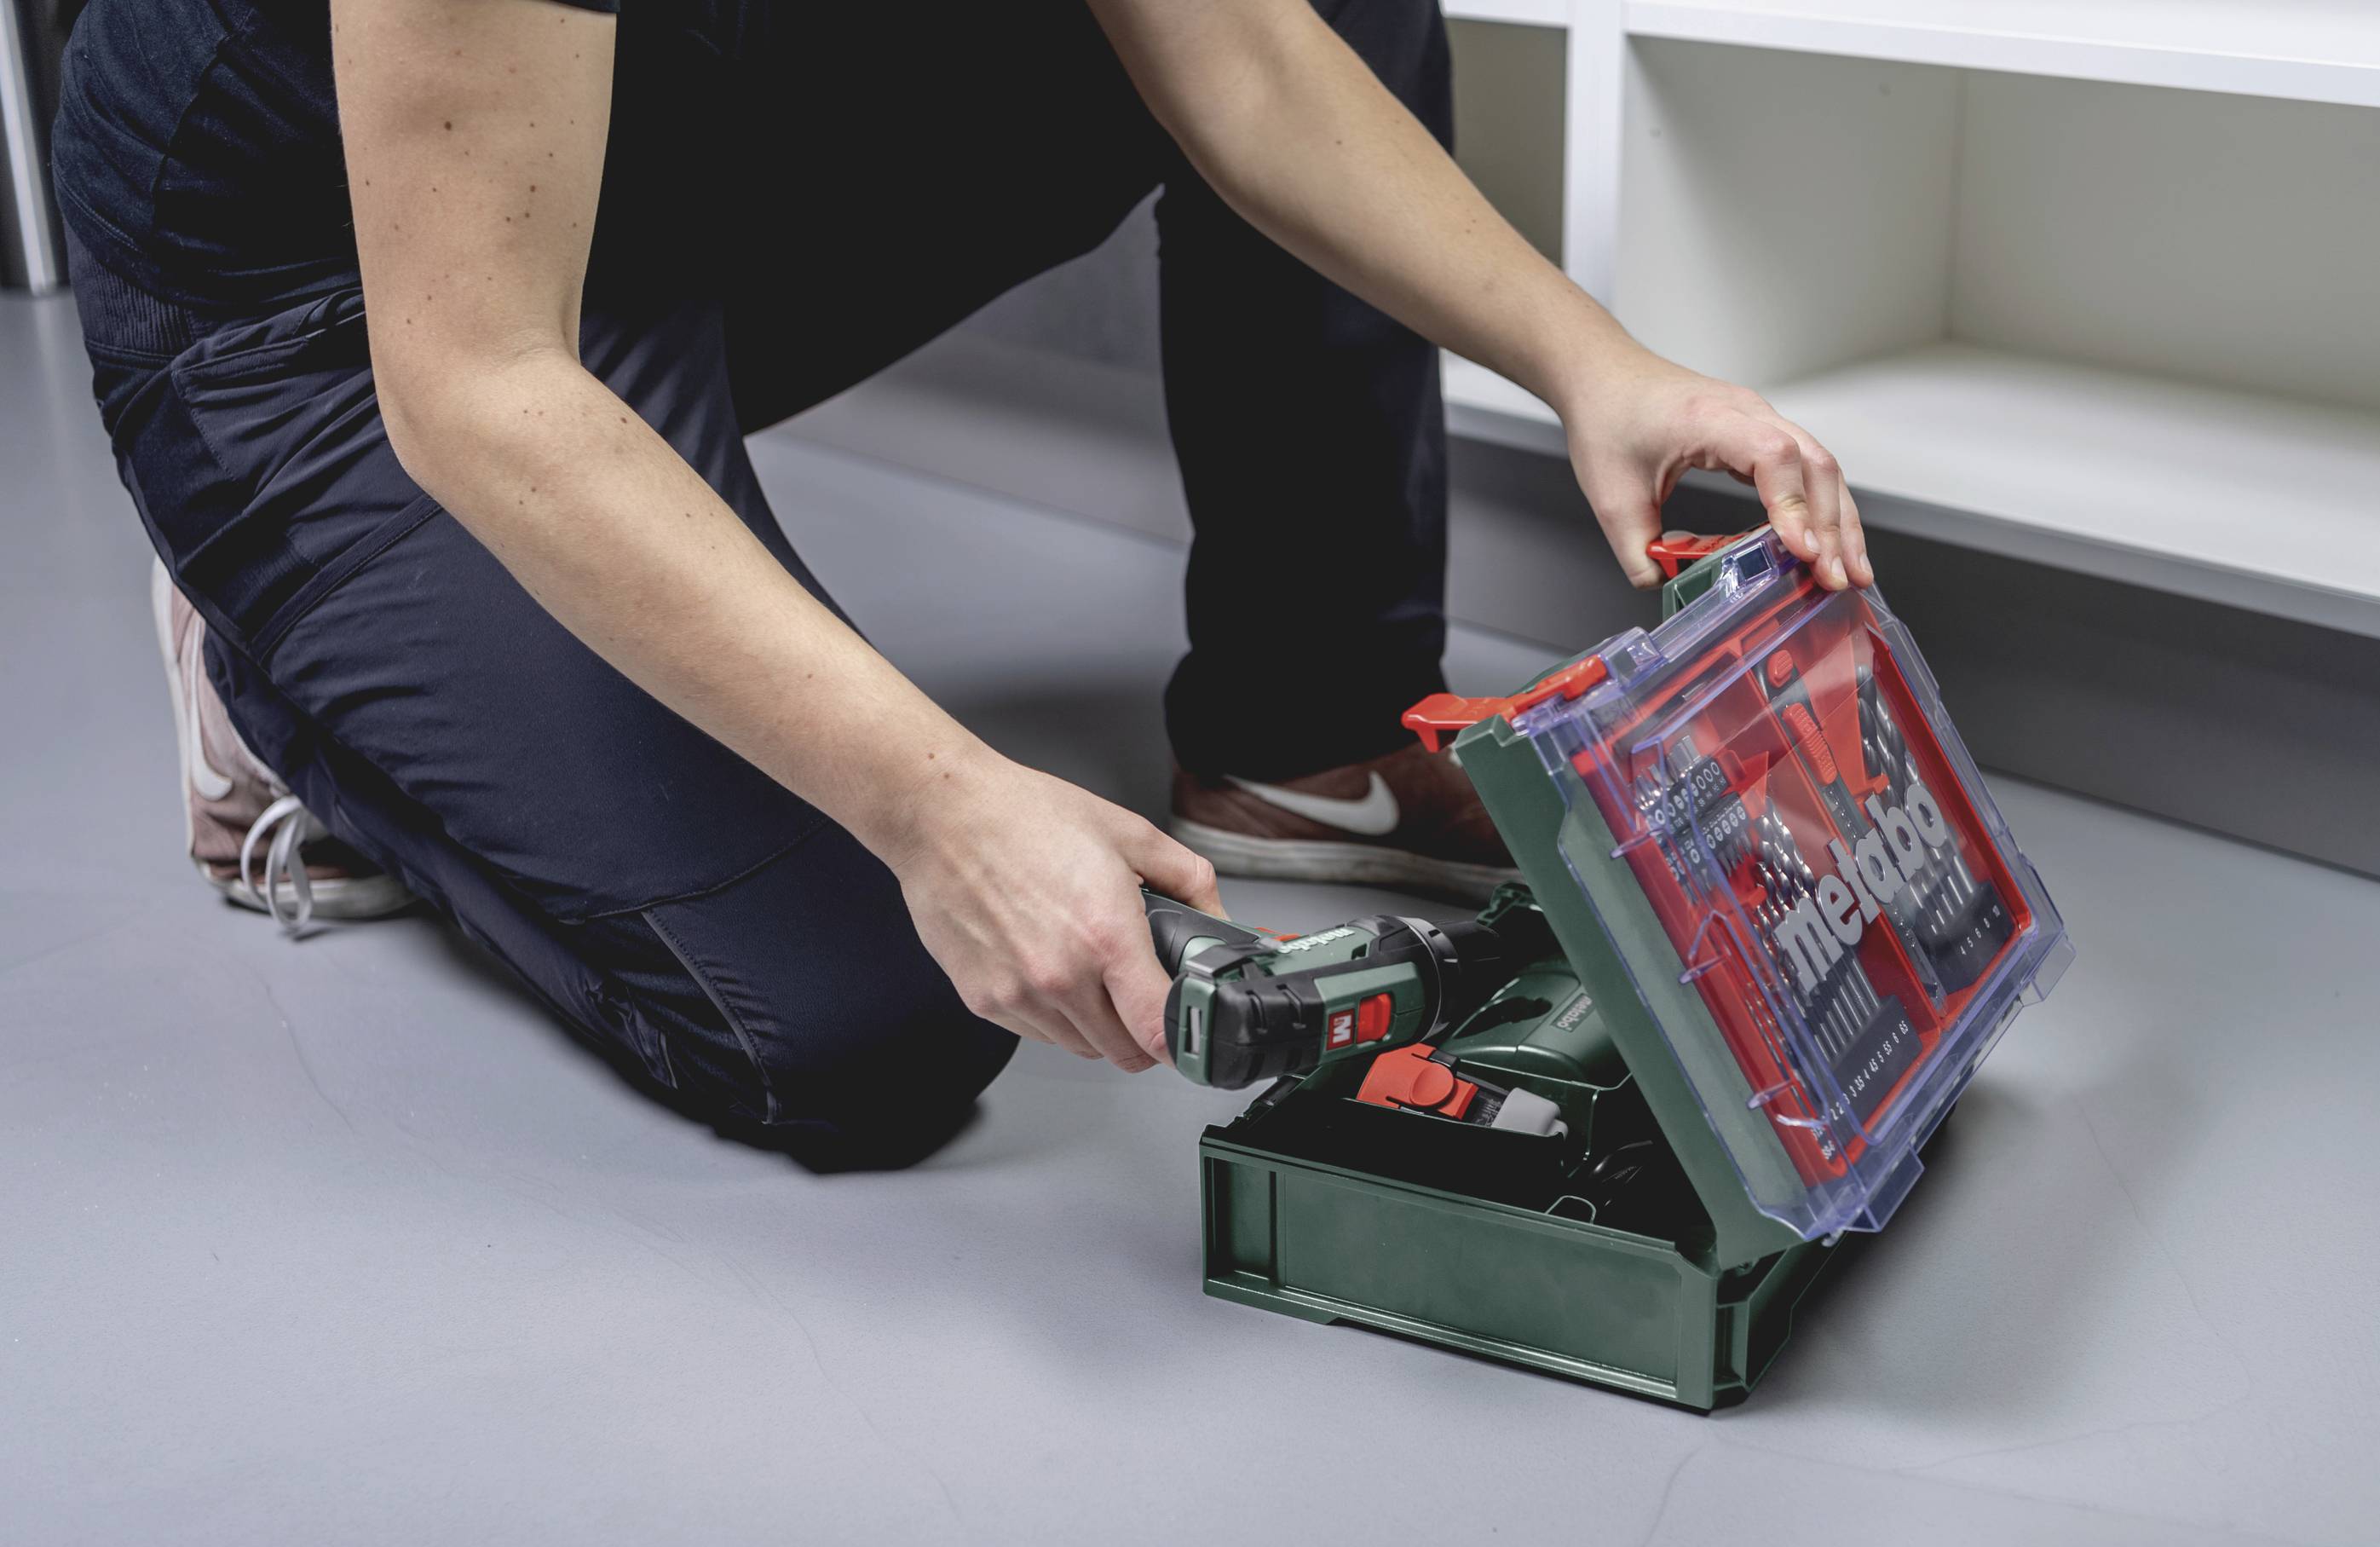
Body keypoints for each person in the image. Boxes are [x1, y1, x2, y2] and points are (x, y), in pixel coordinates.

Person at [52, 0, 1873, 1153]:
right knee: (866, 1021)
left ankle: (1300, 729)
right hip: (338, 305)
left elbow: (1237, 51)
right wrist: (939, 806)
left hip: (653, 142)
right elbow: (479, 375)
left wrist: (1592, 361)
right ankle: (283, 667)